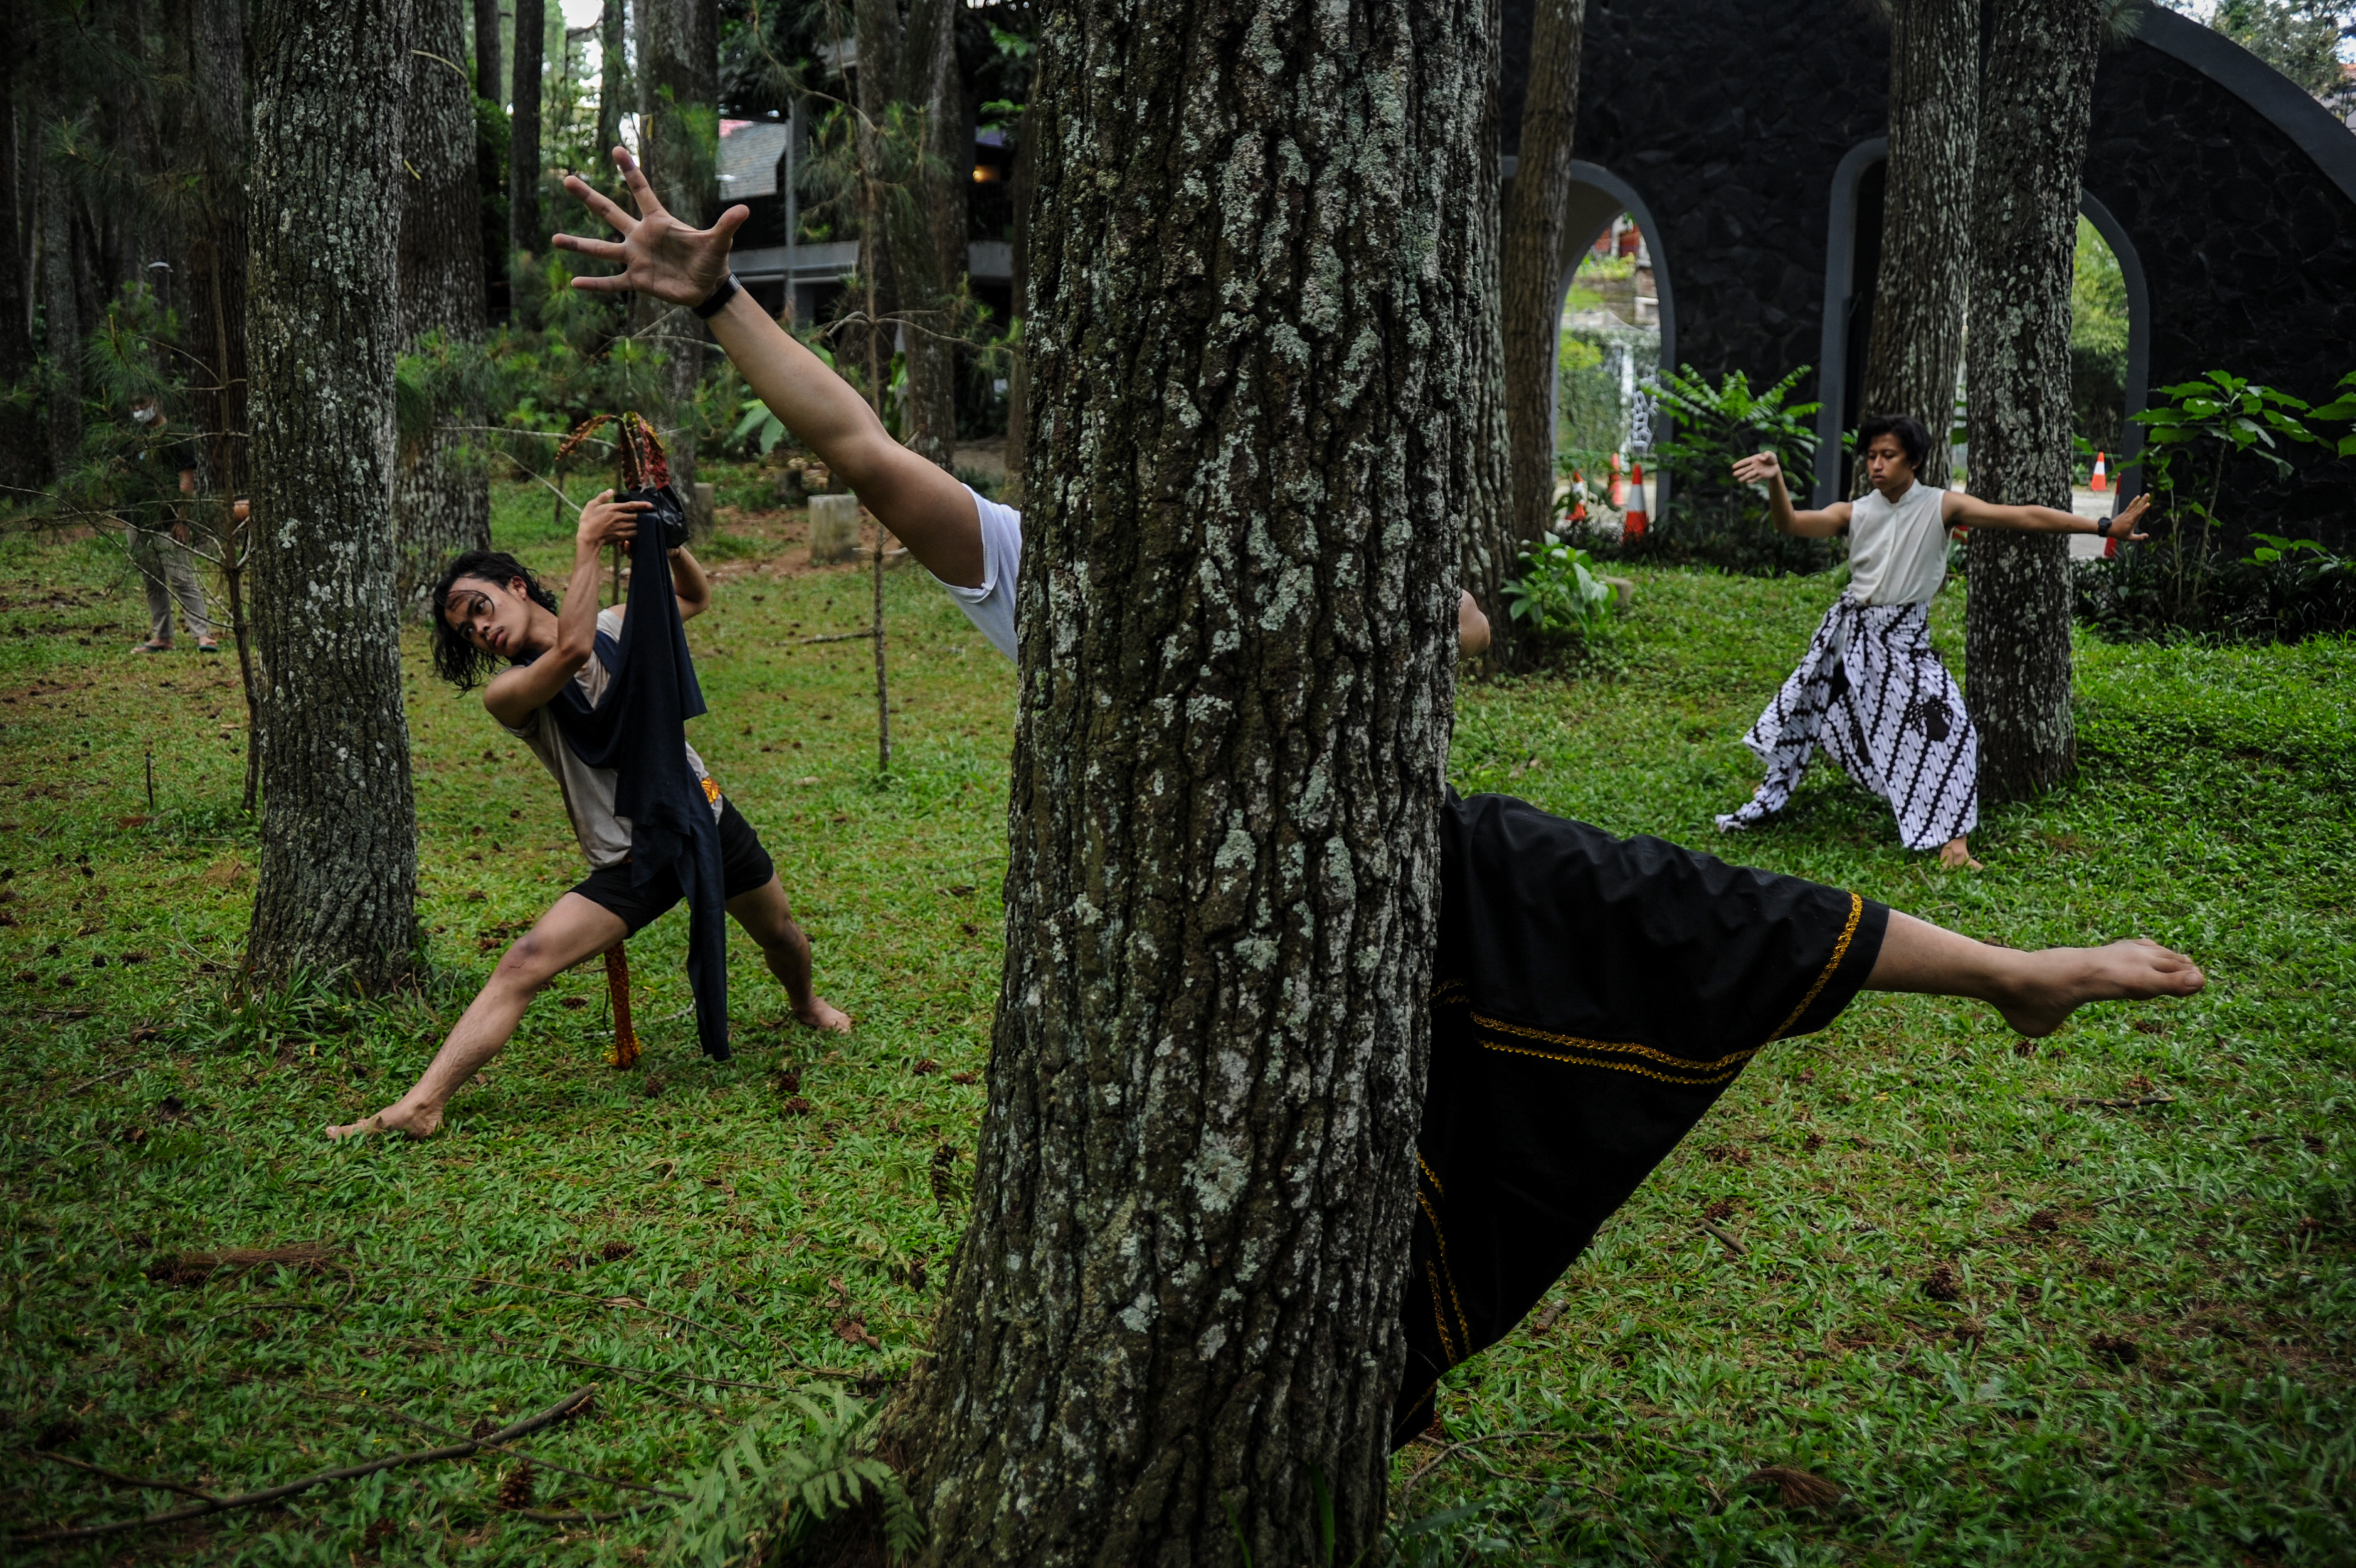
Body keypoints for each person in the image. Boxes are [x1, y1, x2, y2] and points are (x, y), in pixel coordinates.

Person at [552, 148, 2206, 1444]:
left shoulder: (1325, 540)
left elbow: (1470, 627)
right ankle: (1353, 1406)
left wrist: (1416, 602)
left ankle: (2003, 971)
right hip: (1183, 951)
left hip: (1418, 877)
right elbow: (855, 439)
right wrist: (720, 304)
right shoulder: (1046, 575)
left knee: (1688, 906)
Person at [326, 492, 850, 1141]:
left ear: (516, 586)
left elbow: (692, 598)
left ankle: (804, 1004)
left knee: (781, 935)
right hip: (630, 857)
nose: (479, 631)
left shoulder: (612, 623)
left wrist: (665, 541)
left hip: (701, 816)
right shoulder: (510, 693)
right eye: (466, 631)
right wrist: (588, 544)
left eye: (480, 609)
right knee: (523, 962)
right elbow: (570, 651)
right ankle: (422, 1103)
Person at [1717, 419, 2149, 869]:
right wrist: (1776, 481)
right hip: (1854, 636)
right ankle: (1778, 781)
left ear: (1915, 460)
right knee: (1812, 710)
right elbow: (1792, 524)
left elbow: (2022, 515)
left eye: (1889, 455)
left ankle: (1953, 845)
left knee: (1955, 731)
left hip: (1906, 642)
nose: (1878, 465)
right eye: (1872, 457)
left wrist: (2104, 526)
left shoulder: (1941, 505)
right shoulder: (1856, 511)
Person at [121, 396, 219, 656]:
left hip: (167, 519)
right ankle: (162, 636)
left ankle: (203, 634)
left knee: (181, 577)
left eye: (142, 403)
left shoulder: (176, 436)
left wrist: (182, 519)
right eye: (135, 406)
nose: (139, 410)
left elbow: (186, 480)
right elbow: (126, 474)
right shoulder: (133, 437)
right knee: (152, 579)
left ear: (156, 400)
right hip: (136, 518)